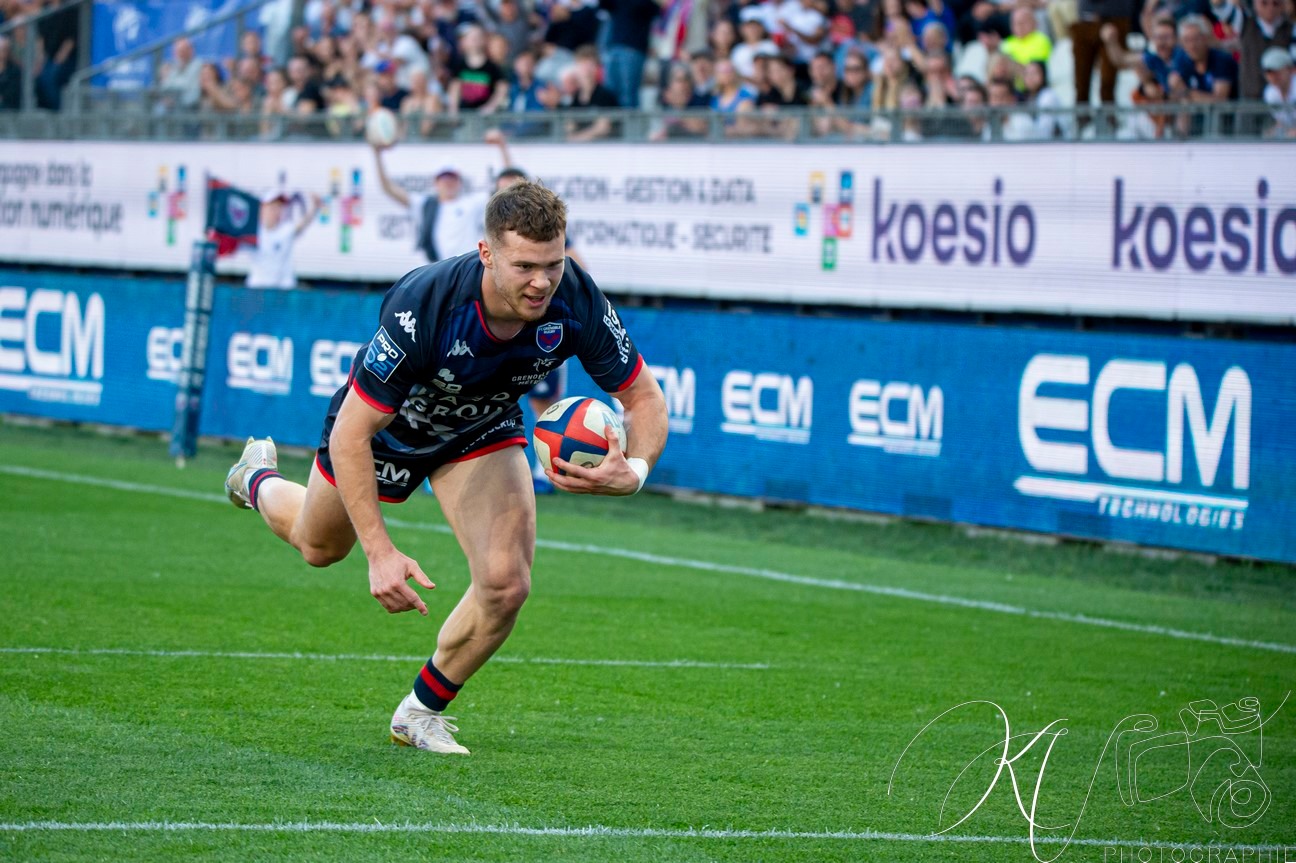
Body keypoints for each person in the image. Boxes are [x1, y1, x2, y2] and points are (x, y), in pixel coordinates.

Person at [223, 181, 669, 755]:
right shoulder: (426, 304)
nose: (541, 282)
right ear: (487, 253)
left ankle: (420, 713)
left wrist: (634, 471)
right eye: (525, 266)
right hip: (386, 431)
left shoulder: (576, 297)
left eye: (553, 265)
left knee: (506, 584)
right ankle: (256, 478)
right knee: (320, 546)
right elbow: (353, 432)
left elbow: (645, 400)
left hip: (480, 427)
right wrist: (380, 552)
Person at [373, 130, 514, 264]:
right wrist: (377, 154)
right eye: (444, 178)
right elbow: (389, 188)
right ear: (436, 182)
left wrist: (502, 146)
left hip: (466, 269)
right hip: (438, 269)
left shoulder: (472, 203)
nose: (448, 182)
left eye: (452, 178)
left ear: (459, 181)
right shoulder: (426, 205)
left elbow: (507, 186)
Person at [245, 190, 323, 289]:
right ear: (262, 208)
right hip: (258, 291)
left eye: (279, 207)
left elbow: (303, 224)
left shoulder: (286, 231)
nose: (277, 211)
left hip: (283, 292)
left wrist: (315, 208)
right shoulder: (252, 232)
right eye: (273, 207)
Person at [1261, 46, 1296, 136]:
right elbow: (1282, 122)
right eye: (1269, 72)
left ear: (1291, 70)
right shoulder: (1270, 93)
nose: (1272, 76)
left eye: (1277, 71)